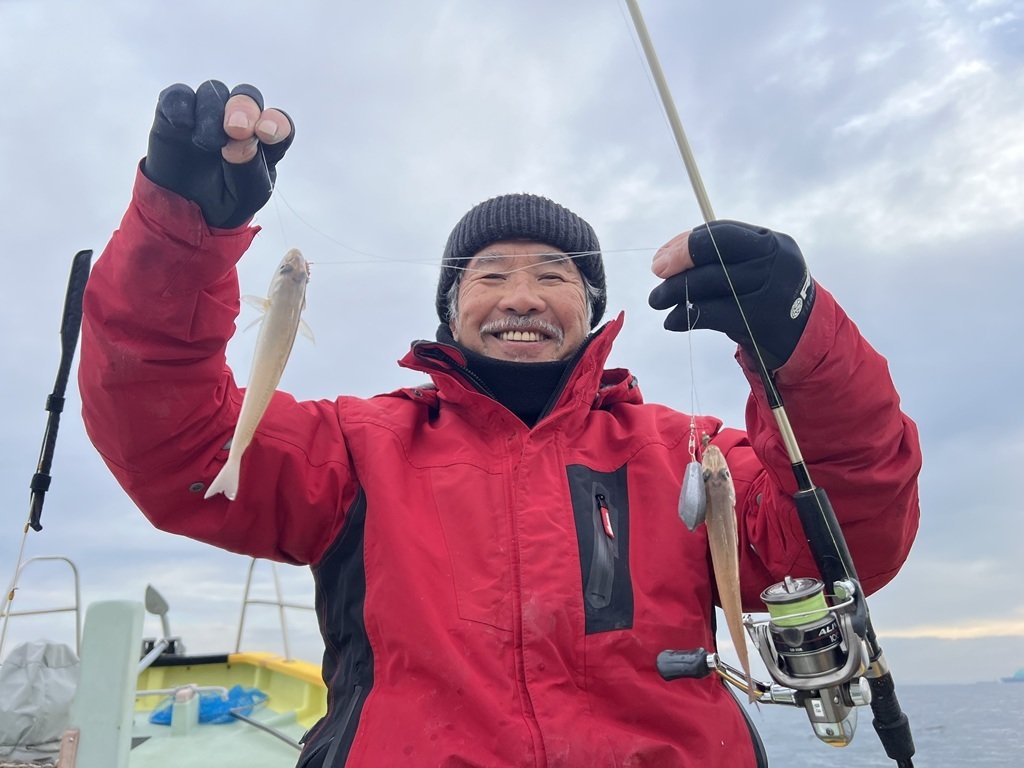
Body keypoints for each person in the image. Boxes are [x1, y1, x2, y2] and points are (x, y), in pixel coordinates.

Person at [79, 81, 921, 768]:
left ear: (592, 309)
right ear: (451, 311)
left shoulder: (690, 454)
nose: (522, 296)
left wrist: (803, 341)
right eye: (489, 275)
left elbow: (851, 538)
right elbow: (174, 443)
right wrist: (180, 235)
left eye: (555, 275)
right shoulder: (357, 449)